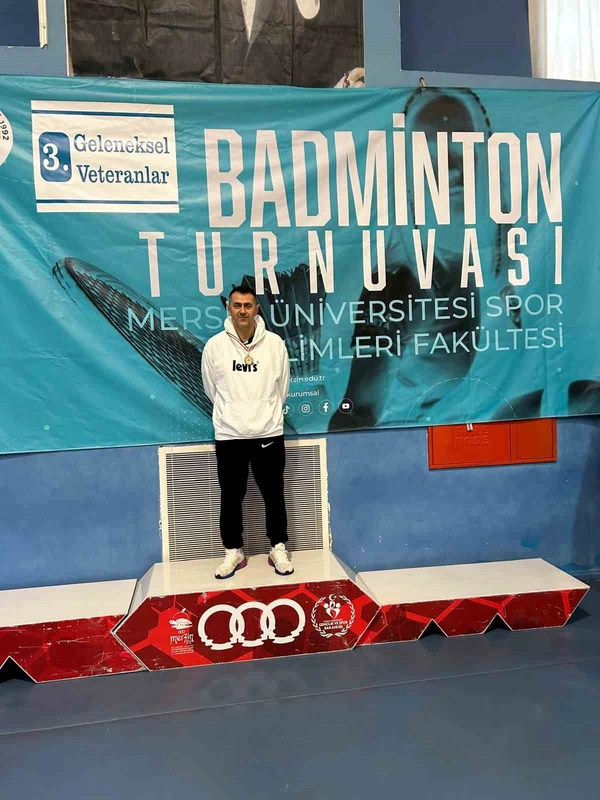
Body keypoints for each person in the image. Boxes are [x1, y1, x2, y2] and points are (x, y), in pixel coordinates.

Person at [201, 285, 293, 579]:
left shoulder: (275, 344)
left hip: (268, 432)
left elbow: (282, 388)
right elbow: (210, 389)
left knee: (274, 494)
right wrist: (232, 412)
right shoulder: (215, 346)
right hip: (230, 434)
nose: (243, 311)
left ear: (256, 309)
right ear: (229, 308)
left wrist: (265, 413)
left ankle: (277, 548)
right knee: (231, 496)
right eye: (237, 305)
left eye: (248, 305)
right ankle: (233, 551)